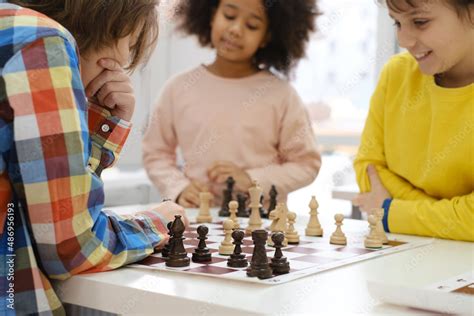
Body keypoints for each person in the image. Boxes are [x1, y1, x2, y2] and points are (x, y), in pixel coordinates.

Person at [0, 1, 187, 314]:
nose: (121, 66)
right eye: (128, 46)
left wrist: (99, 124)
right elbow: (71, 248)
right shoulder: (42, 41)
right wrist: (159, 221)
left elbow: (42, 207)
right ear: (111, 20)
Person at [143, 0, 322, 208]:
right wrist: (179, 188)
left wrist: (251, 179)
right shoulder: (177, 88)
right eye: (229, 16)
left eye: (252, 25)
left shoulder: (282, 96)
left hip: (262, 227)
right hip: (198, 222)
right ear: (211, 16)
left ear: (267, 36)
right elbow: (155, 154)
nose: (236, 30)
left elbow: (306, 164)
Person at [353, 0, 473, 241]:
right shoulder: (396, 74)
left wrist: (389, 212)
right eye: (397, 22)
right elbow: (368, 168)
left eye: (420, 22)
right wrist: (453, 217)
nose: (404, 40)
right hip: (407, 259)